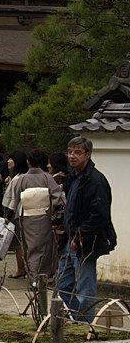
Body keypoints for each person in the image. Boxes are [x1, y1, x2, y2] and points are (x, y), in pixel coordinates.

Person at [57, 137, 116, 322]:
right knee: (62, 284)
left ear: (88, 155)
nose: (72, 156)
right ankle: (76, 317)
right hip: (70, 238)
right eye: (70, 152)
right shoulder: (73, 177)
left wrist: (80, 238)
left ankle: (85, 323)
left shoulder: (95, 180)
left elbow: (99, 215)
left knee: (84, 287)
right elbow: (72, 208)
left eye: (77, 152)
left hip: (86, 242)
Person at [3, 149, 65, 288]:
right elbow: (57, 198)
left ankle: (34, 277)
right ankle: (41, 276)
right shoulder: (47, 178)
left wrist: (9, 215)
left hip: (27, 218)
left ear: (28, 162)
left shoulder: (22, 178)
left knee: (32, 248)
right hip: (44, 217)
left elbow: (15, 199)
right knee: (45, 248)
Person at [3, 150, 28, 278]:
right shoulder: (19, 176)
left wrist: (7, 215)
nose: (8, 161)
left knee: (19, 243)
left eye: (11, 158)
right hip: (23, 212)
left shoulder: (19, 178)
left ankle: (21, 268)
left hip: (18, 212)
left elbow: (14, 199)